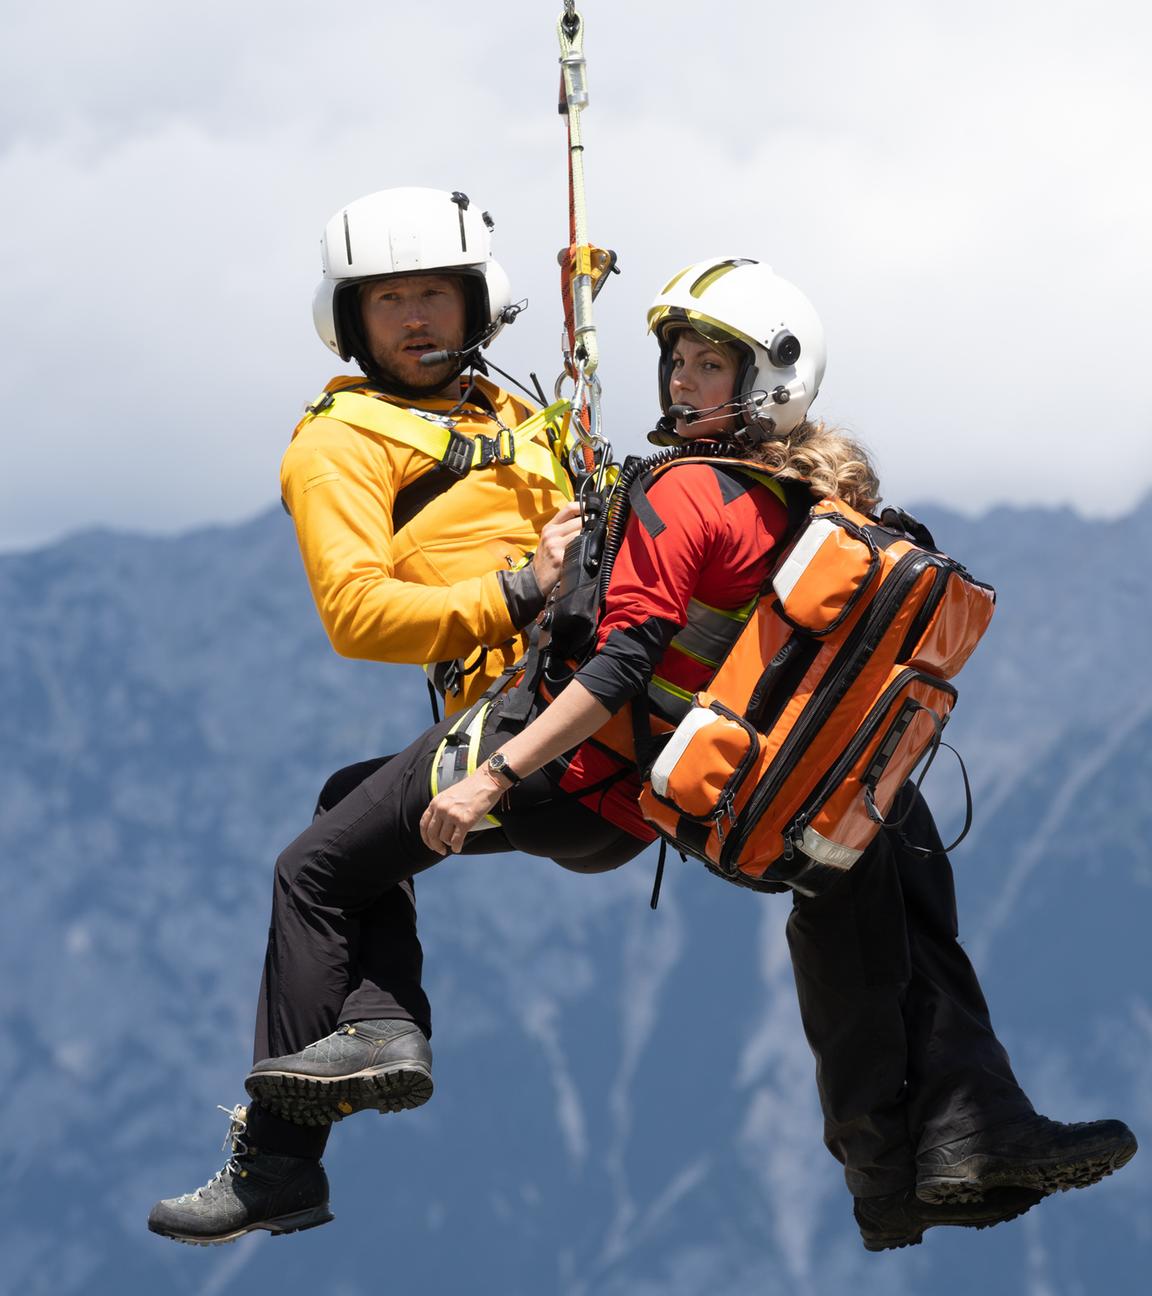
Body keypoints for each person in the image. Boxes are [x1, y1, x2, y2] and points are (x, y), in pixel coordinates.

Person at [148, 258, 1136, 1253]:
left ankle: (297, 1140)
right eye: (677, 363)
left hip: (575, 772)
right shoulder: (815, 507)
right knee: (888, 860)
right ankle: (939, 1155)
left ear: (762, 381)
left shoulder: (685, 492)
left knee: (316, 860)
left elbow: (619, 667)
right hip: (694, 794)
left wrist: (496, 769)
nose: (679, 384)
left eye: (709, 366)